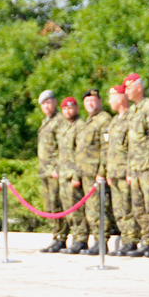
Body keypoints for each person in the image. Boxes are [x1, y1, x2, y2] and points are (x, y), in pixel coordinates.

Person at [123, 73, 149, 256]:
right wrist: (129, 170)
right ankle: (146, 239)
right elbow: (132, 143)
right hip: (135, 167)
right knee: (138, 207)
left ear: (139, 88)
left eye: (129, 88)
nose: (126, 92)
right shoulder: (133, 110)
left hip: (147, 166)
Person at [76, 88, 114, 255]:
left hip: (96, 174)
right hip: (86, 173)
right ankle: (95, 239)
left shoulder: (104, 120)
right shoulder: (88, 121)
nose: (90, 103)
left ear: (100, 101)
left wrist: (102, 171)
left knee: (98, 208)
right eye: (87, 101)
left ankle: (101, 241)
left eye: (93, 100)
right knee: (90, 210)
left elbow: (106, 149)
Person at [105, 85, 136, 256]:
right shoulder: (114, 121)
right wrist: (109, 172)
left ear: (120, 98)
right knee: (118, 209)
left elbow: (133, 148)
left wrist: (130, 171)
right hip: (114, 172)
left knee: (128, 206)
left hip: (125, 171)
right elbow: (109, 147)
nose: (109, 101)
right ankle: (125, 238)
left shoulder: (131, 118)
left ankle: (131, 240)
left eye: (112, 97)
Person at [55, 96, 88, 254]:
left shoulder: (80, 126)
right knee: (67, 209)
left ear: (76, 108)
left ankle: (81, 239)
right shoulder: (63, 127)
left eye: (71, 108)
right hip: (63, 174)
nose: (68, 111)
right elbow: (60, 151)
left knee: (76, 210)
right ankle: (74, 237)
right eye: (65, 109)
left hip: (73, 175)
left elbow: (81, 154)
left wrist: (77, 175)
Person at [36, 90, 67, 253]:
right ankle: (55, 236)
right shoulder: (46, 121)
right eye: (43, 104)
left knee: (57, 204)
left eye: (49, 102)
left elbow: (62, 147)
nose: (46, 106)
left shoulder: (60, 121)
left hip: (54, 171)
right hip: (45, 171)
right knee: (49, 205)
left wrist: (57, 168)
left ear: (55, 102)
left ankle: (61, 238)